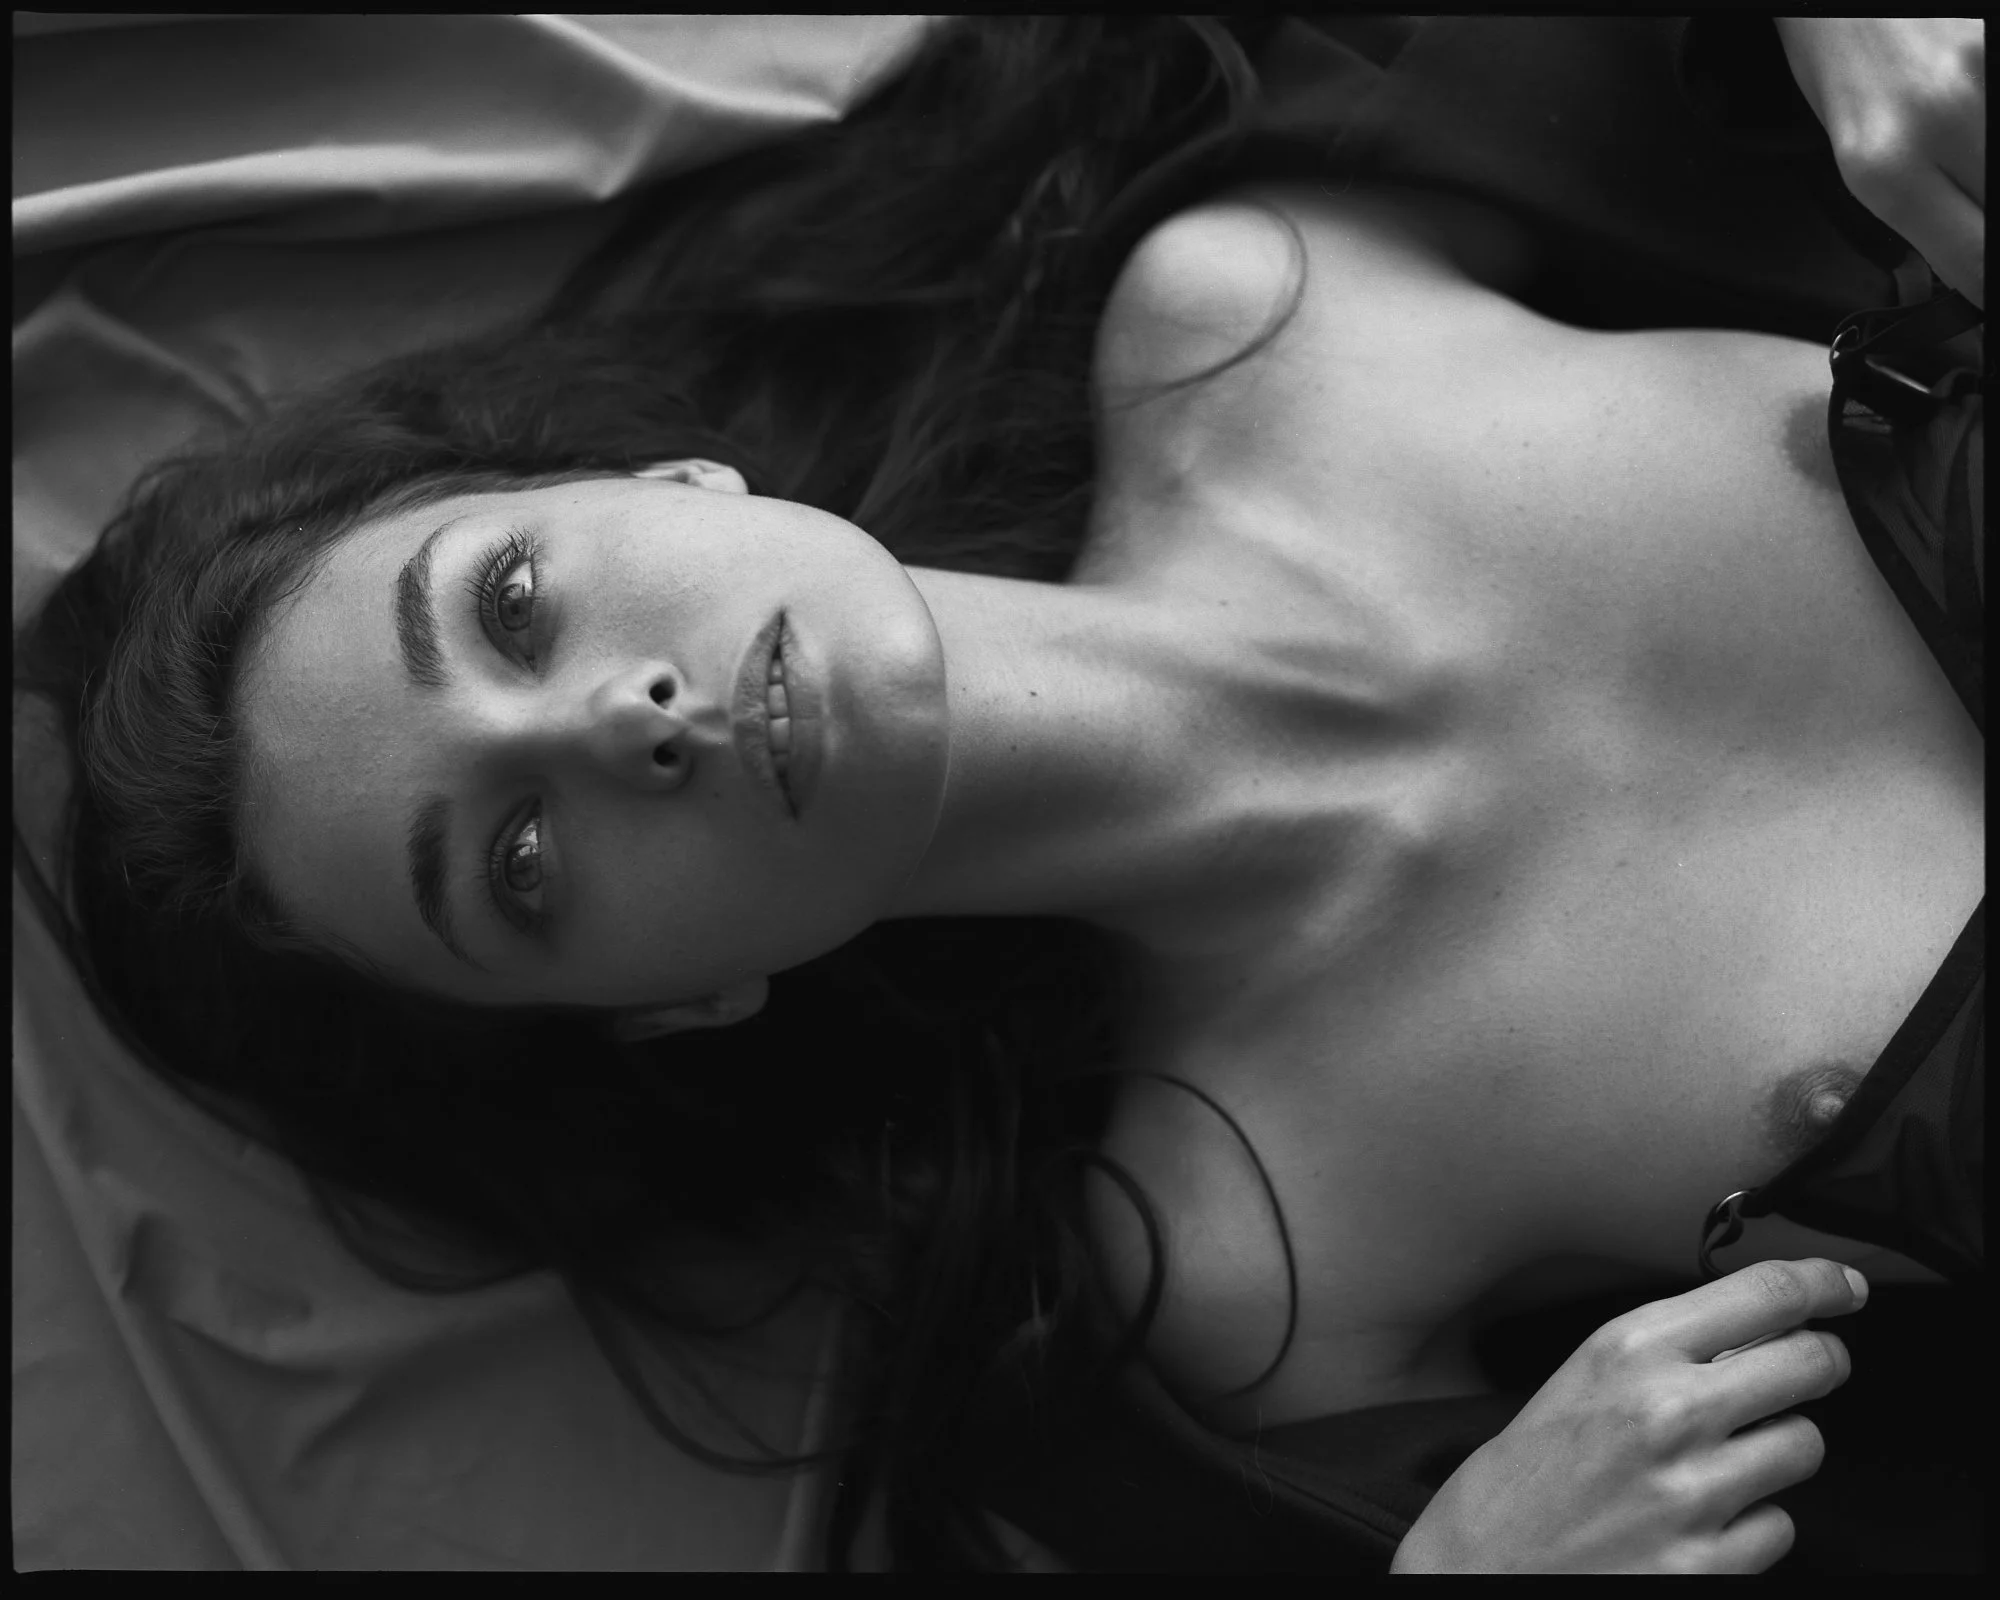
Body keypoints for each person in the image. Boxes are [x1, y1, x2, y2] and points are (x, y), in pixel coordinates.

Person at [13, 15, 1981, 1574]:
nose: (627, 716)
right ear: (668, 1003)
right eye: (519, 860)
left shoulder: (1254, 299)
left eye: (513, 605)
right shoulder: (1256, 1280)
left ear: (653, 483)